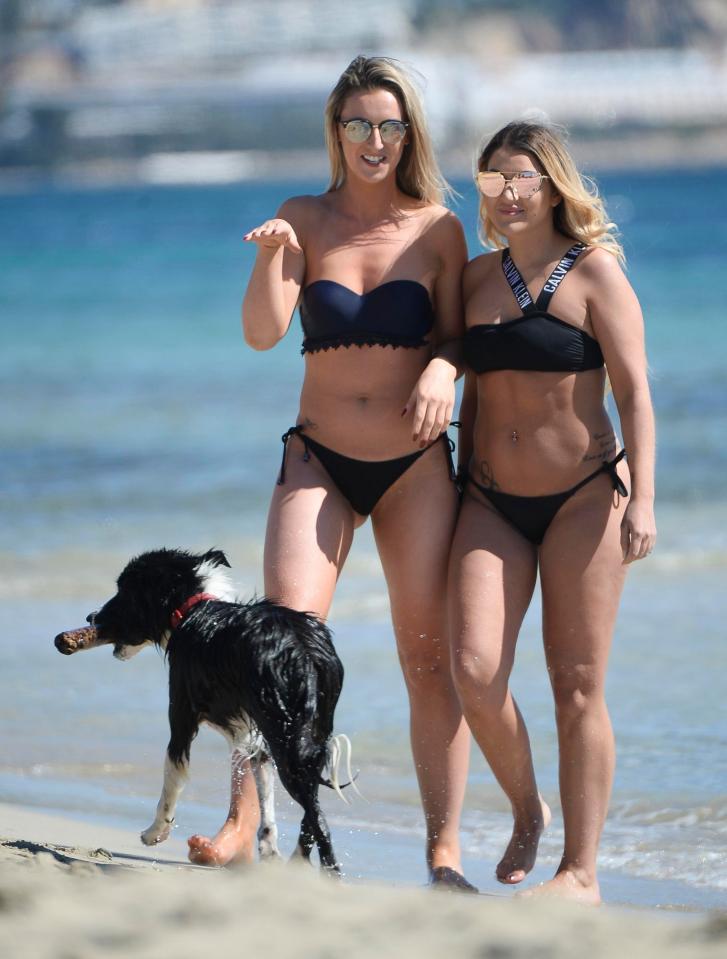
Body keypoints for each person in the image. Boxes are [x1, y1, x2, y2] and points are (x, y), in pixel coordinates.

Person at [188, 55, 475, 891]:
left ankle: (443, 853)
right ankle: (243, 823)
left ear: (408, 133)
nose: (374, 140)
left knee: (428, 660)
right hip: (317, 457)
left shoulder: (438, 230)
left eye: (389, 125)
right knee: (274, 647)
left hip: (415, 465)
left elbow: (456, 336)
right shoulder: (301, 217)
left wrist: (441, 370)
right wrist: (273, 255)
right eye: (358, 125)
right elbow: (259, 334)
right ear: (335, 131)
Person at [449, 120, 656, 904]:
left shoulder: (596, 274)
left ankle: (581, 872)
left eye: (520, 177)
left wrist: (643, 496)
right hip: (490, 500)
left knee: (576, 683)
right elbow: (456, 369)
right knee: (473, 668)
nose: (504, 193)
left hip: (583, 498)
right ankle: (527, 805)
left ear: (553, 183)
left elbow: (635, 392)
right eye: (492, 179)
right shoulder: (474, 279)